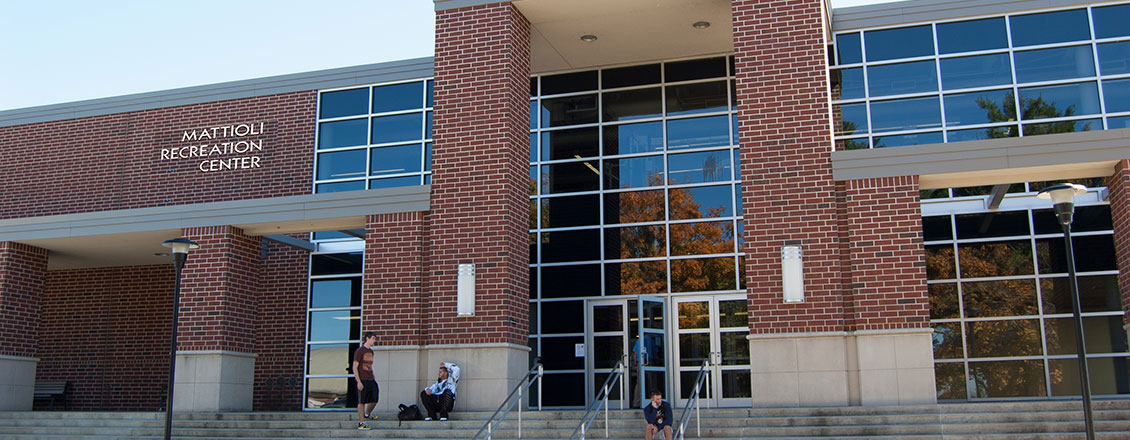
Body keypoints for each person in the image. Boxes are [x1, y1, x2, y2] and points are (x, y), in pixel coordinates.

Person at [352, 332, 379, 430]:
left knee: (375, 399)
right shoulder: (359, 351)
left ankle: (367, 414)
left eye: (375, 339)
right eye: (373, 338)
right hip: (362, 379)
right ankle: (361, 422)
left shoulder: (371, 352)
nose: (374, 341)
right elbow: (355, 367)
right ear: (367, 338)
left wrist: (374, 377)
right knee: (361, 401)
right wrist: (358, 381)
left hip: (371, 379)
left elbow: (370, 366)